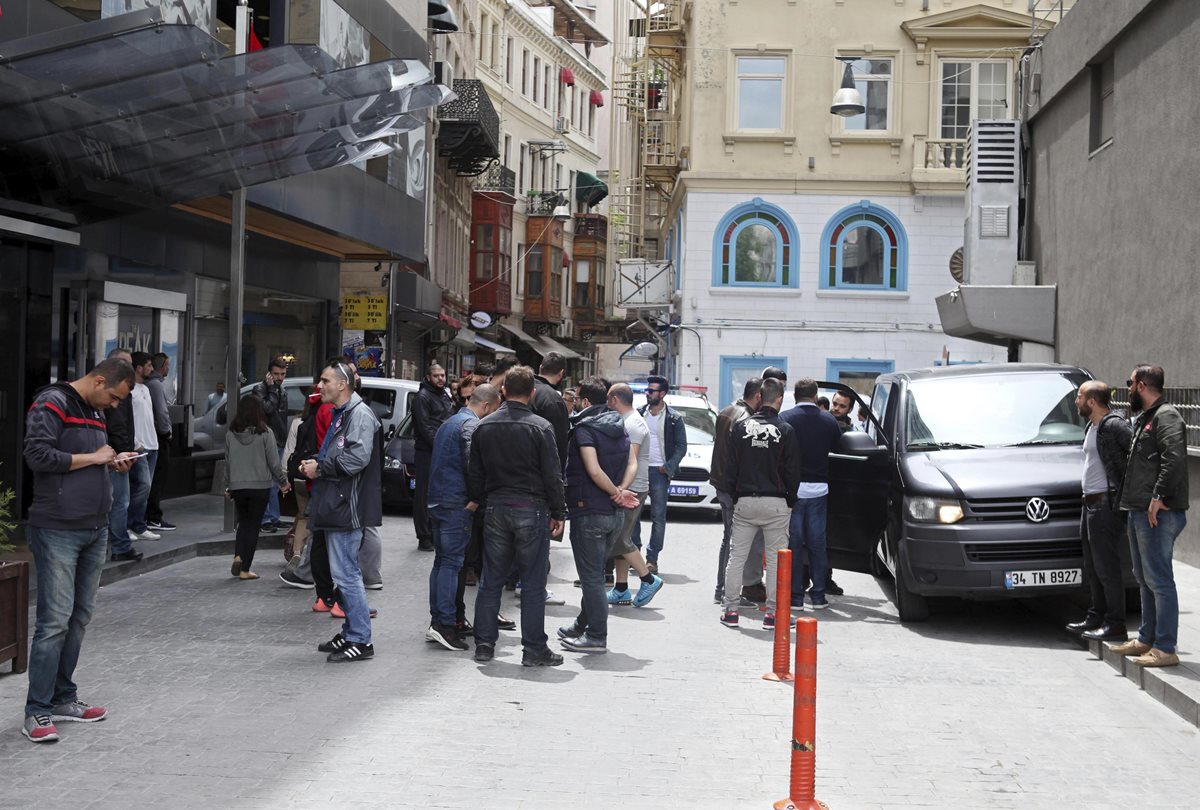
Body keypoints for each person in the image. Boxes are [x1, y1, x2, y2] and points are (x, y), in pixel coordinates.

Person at [21, 358, 137, 743]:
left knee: (78, 617)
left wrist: (112, 462)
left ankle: (62, 698)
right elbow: (37, 456)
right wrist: (95, 458)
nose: (115, 406)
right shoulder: (52, 402)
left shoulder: (93, 408)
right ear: (100, 380)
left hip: (94, 527)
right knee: (54, 621)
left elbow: (88, 461)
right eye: (115, 397)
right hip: (57, 527)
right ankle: (36, 712)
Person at [468, 365, 567, 667]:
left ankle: (484, 644)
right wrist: (558, 511)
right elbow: (552, 475)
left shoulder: (485, 426)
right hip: (531, 509)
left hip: (496, 507)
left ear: (503, 391)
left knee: (491, 580)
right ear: (533, 393)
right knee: (534, 583)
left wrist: (482, 501)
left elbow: (475, 475)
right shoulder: (541, 427)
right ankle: (534, 649)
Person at [299, 360, 383, 663]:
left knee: (347, 575)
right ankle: (351, 632)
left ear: (342, 385)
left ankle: (361, 640)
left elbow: (356, 460)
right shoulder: (342, 413)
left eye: (325, 381)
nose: (319, 386)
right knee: (344, 573)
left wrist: (319, 468)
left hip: (348, 507)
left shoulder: (358, 415)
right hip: (337, 503)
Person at [1111, 365, 1189, 668]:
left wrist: (1158, 497)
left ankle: (1165, 647)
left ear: (1141, 385)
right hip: (1138, 509)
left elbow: (1175, 458)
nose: (1128, 388)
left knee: (1159, 579)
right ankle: (1146, 639)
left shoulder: (1166, 416)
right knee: (1144, 577)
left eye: (1129, 383)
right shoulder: (1146, 417)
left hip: (1157, 513)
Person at [558, 377, 639, 654]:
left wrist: (615, 492)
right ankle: (583, 624)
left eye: (579, 398)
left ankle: (596, 635)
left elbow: (593, 470)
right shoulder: (620, 426)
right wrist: (621, 491)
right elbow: (632, 463)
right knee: (593, 574)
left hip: (590, 511)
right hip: (613, 514)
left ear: (585, 401)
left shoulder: (585, 429)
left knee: (591, 577)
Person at [718, 377, 801, 629]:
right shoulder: (786, 431)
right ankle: (773, 615)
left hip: (744, 502)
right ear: (779, 399)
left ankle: (731, 611)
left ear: (760, 397)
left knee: (737, 557)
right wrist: (789, 500)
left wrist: (735, 496)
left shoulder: (741, 428)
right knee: (776, 560)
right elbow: (793, 471)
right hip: (775, 504)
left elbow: (730, 468)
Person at [425, 383, 501, 651]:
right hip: (455, 502)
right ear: (487, 406)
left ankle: (440, 620)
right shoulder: (471, 425)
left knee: (442, 562)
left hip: (438, 499)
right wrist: (476, 497)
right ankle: (445, 624)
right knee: (451, 563)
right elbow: (473, 462)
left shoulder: (450, 421)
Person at [1065, 381, 1134, 641]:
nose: (1076, 401)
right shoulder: (1092, 426)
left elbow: (1136, 456)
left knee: (1107, 566)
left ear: (1092, 401)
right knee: (1093, 566)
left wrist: (1124, 491)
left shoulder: (1114, 425)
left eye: (1079, 396)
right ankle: (1096, 616)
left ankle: (1115, 624)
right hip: (1090, 503)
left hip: (1106, 504)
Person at [780, 378, 844, 611]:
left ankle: (795, 597)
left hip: (793, 491)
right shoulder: (829, 421)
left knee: (794, 544)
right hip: (819, 490)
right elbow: (839, 451)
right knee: (818, 544)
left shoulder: (784, 419)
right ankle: (818, 595)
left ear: (796, 396)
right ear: (815, 396)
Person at [600, 383, 664, 609]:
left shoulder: (633, 424)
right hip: (629, 486)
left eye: (608, 399)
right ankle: (620, 588)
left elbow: (631, 460)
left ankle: (648, 579)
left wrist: (621, 489)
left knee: (620, 539)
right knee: (621, 536)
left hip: (633, 487)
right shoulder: (629, 421)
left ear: (614, 399)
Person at [708, 377, 766, 605]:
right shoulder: (747, 419)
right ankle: (725, 592)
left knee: (729, 539)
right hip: (733, 488)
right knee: (736, 542)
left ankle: (721, 589)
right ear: (758, 396)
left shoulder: (726, 411)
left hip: (721, 484)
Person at [224, 395, 291, 580]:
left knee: (242, 523)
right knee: (253, 526)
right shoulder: (266, 432)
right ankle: (245, 569)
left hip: (238, 486)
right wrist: (283, 481)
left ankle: (238, 555)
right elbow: (274, 462)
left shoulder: (230, 433)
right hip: (260, 487)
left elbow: (228, 462)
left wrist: (228, 486)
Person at [631, 375, 687, 572]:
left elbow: (681, 446)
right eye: (647, 390)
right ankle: (634, 553)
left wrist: (668, 466)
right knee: (633, 514)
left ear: (662, 394)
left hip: (659, 472)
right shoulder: (638, 414)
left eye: (651, 391)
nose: (647, 394)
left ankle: (652, 559)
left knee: (658, 517)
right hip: (639, 470)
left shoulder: (674, 418)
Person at [103, 349, 142, 563]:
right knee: (119, 502)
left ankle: (118, 543)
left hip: (119, 453)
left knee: (119, 501)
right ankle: (119, 544)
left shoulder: (122, 392)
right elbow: (118, 425)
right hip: (117, 456)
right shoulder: (116, 392)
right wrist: (121, 453)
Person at [412, 362, 454, 552]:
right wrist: (440, 445)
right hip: (427, 452)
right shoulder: (423, 397)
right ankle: (424, 535)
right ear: (428, 377)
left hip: (442, 450)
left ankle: (434, 531)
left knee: (438, 492)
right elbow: (425, 427)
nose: (440, 379)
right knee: (424, 494)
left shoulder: (443, 395)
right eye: (436, 376)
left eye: (443, 375)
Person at [126, 352, 160, 544]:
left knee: (145, 487)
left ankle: (139, 524)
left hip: (152, 443)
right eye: (148, 365)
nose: (151, 369)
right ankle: (130, 524)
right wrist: (135, 442)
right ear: (138, 368)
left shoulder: (145, 389)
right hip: (138, 445)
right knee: (142, 485)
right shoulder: (129, 391)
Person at [253, 358, 289, 534]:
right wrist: (272, 390)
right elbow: (266, 410)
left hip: (279, 439)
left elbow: (282, 417)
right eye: (276, 374)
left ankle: (274, 517)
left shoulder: (282, 389)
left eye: (282, 374)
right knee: (267, 481)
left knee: (276, 482)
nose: (280, 378)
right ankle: (265, 518)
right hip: (266, 440)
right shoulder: (260, 389)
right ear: (269, 374)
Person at [144, 352, 176, 532]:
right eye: (167, 365)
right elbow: (162, 413)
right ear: (162, 366)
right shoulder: (155, 385)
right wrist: (167, 432)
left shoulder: (149, 385)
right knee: (157, 478)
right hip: (158, 436)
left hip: (153, 435)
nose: (168, 368)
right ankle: (153, 516)